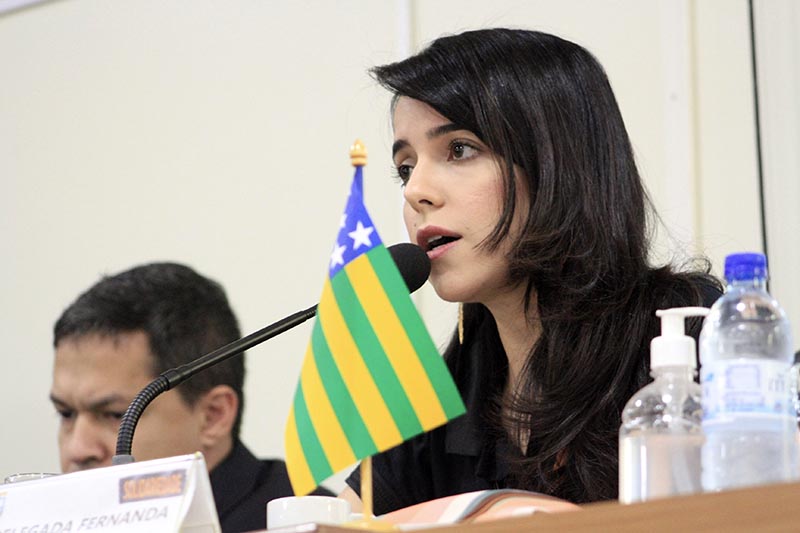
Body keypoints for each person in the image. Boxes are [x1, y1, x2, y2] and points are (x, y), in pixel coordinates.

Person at [341, 28, 722, 513]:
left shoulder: (689, 331)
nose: (415, 191)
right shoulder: (443, 396)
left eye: (459, 150)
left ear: (555, 164)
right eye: (406, 167)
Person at [50, 262, 332, 532]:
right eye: (66, 414)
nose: (77, 449)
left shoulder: (313, 525)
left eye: (115, 415)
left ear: (213, 416)